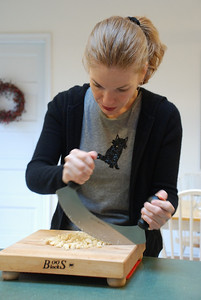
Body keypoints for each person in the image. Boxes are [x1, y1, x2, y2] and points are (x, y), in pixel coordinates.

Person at [26, 15, 182, 257]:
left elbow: (166, 190)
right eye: (97, 85)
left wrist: (161, 208)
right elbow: (34, 176)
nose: (108, 101)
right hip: (70, 243)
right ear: (88, 68)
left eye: (122, 89)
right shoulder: (64, 106)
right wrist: (64, 174)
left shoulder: (164, 116)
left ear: (143, 73)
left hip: (134, 247)